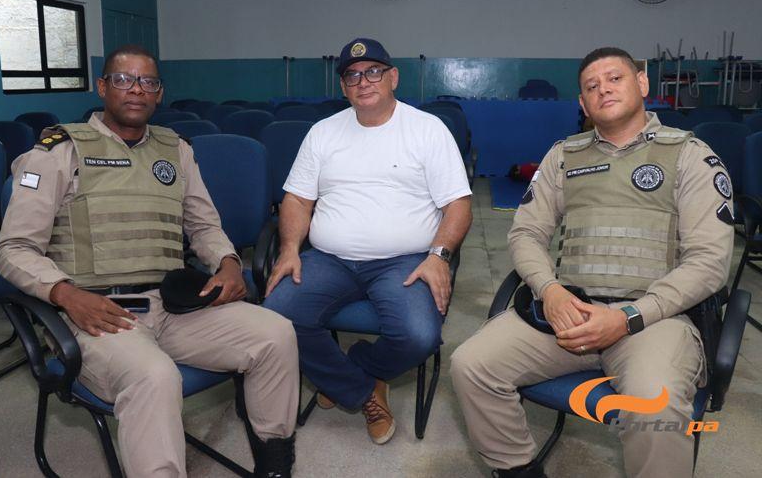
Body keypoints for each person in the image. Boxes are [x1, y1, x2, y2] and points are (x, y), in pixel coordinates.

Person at [0, 44, 298, 478]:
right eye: (123, 79)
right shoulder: (59, 151)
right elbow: (12, 249)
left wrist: (228, 262)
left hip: (173, 306)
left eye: (148, 81)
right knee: (155, 376)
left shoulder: (175, 150)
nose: (136, 89)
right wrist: (65, 294)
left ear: (159, 93)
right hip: (98, 313)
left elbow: (204, 225)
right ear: (103, 87)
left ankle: (273, 461)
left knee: (276, 334)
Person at [450, 47, 734, 478]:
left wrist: (628, 317)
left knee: (652, 405)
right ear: (583, 104)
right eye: (591, 86)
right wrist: (549, 290)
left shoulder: (690, 156)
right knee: (471, 365)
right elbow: (526, 233)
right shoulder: (564, 156)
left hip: (654, 319)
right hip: (569, 313)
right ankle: (517, 469)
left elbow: (709, 261)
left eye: (615, 78)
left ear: (642, 83)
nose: (604, 89)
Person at [263, 38, 472, 444]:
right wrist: (289, 249)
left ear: (393, 77)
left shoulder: (428, 130)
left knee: (419, 336)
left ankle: (357, 365)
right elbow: (297, 199)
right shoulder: (323, 133)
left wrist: (439, 256)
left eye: (373, 71)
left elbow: (458, 205)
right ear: (343, 87)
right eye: (353, 75)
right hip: (330, 259)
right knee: (276, 317)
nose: (363, 81)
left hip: (404, 260)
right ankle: (361, 389)